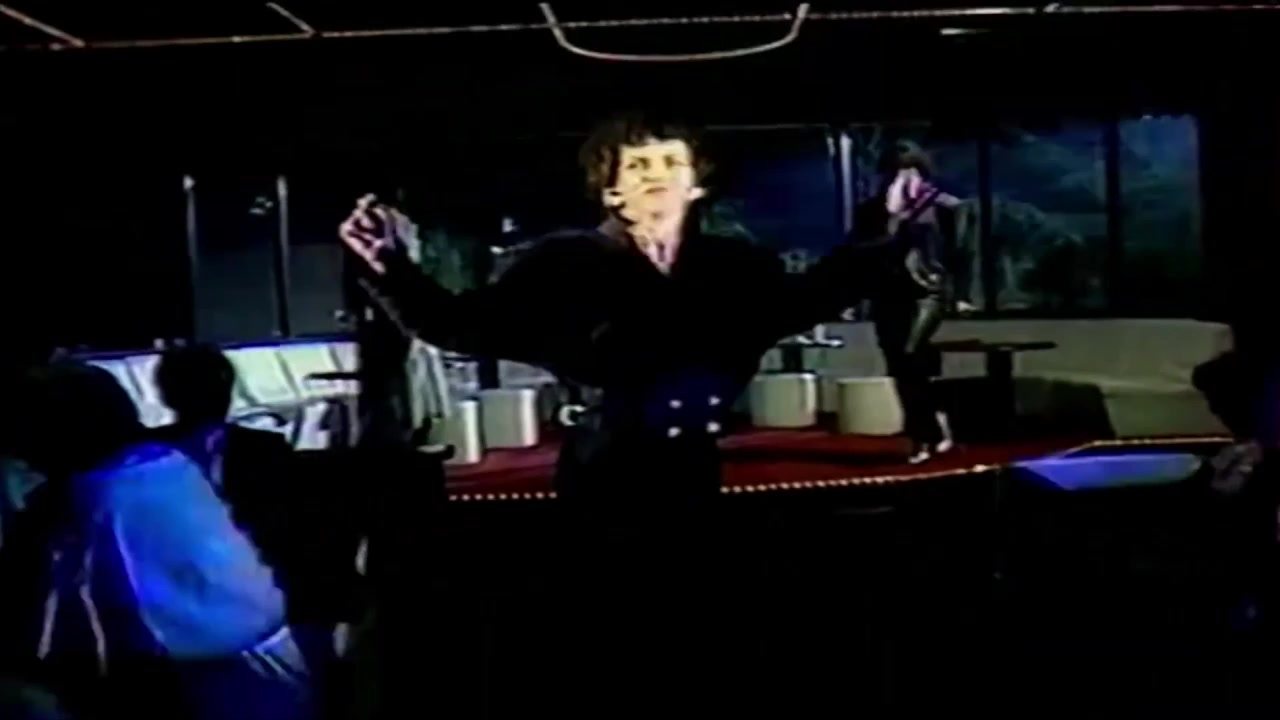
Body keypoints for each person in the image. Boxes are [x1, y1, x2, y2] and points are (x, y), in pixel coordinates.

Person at [340, 112, 888, 509]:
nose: (656, 174)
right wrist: (386, 264)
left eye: (671, 162)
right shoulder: (562, 263)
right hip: (601, 467)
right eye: (637, 165)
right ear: (611, 191)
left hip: (695, 465)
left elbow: (808, 298)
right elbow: (460, 325)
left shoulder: (733, 266)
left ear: (695, 185)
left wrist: (891, 232)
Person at [0, 360, 314, 720]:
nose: (21, 453)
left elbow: (36, 629)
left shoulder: (81, 501)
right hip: (267, 673)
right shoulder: (168, 464)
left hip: (184, 685)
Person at [858, 140, 969, 463]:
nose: (902, 177)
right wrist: (891, 220)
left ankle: (924, 436)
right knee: (901, 364)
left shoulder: (946, 206)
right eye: (894, 171)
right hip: (886, 291)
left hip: (926, 291)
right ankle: (931, 427)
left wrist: (961, 295)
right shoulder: (871, 210)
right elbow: (858, 252)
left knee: (909, 354)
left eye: (909, 169)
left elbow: (962, 254)